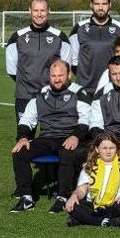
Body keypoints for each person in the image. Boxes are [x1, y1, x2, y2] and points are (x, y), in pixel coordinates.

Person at [10, 59, 91, 213]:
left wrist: (75, 136)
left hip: (69, 136)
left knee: (66, 152)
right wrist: (23, 137)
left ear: (69, 75)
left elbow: (86, 119)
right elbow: (27, 119)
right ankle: (26, 196)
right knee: (19, 152)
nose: (57, 79)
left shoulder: (80, 93)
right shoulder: (40, 94)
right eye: (53, 75)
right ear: (49, 76)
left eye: (61, 75)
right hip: (47, 137)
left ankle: (63, 196)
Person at [6, 0, 71, 121]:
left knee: (53, 136)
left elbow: (65, 69)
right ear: (30, 11)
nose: (39, 14)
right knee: (25, 137)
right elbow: (11, 70)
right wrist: (27, 83)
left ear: (48, 11)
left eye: (42, 10)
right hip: (24, 96)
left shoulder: (60, 37)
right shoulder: (17, 37)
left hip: (53, 96)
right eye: (36, 10)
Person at [63, 134, 120, 227]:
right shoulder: (89, 165)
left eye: (111, 148)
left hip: (115, 204)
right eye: (104, 148)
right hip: (93, 204)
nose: (108, 151)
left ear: (117, 148)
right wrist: (74, 196)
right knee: (75, 205)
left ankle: (83, 219)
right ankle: (106, 221)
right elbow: (82, 189)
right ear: (97, 149)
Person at [69, 0, 120, 94]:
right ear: (91, 5)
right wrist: (85, 79)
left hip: (113, 88)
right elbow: (73, 61)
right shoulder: (79, 28)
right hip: (85, 89)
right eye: (97, 4)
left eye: (104, 4)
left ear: (110, 5)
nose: (101, 8)